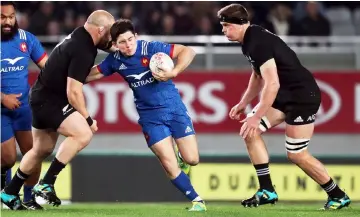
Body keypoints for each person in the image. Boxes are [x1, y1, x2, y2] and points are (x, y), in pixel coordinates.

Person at [218, 4, 351, 210]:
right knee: (249, 132)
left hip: (302, 97)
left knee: (296, 154)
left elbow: (272, 84)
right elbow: (258, 74)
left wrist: (256, 116)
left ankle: (338, 195)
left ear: (242, 24)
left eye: (227, 25)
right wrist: (244, 103)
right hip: (285, 94)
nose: (224, 30)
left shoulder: (257, 42)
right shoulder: (250, 40)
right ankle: (267, 190)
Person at [85, 19, 206, 212]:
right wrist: (67, 72)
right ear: (115, 44)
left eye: (130, 39)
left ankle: (183, 158)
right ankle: (197, 201)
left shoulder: (151, 49)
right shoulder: (115, 61)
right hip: (150, 118)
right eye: (122, 42)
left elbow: (188, 51)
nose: (128, 45)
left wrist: (173, 71)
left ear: (136, 37)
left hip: (174, 109)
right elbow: (90, 75)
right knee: (168, 163)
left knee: (192, 159)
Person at [1, 10, 115, 210]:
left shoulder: (78, 36)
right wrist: (88, 119)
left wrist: (108, 67)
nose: (111, 39)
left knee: (41, 150)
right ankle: (46, 183)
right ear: (101, 29)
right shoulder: (85, 49)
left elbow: (78, 74)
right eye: (110, 34)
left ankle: (9, 192)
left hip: (39, 96)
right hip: (50, 100)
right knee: (83, 134)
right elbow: (73, 92)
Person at [1, 1, 48, 210]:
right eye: (3, 17)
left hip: (24, 110)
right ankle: (7, 193)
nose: (8, 22)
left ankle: (28, 198)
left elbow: (47, 67)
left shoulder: (27, 39)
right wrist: (3, 98)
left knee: (34, 155)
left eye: (11, 17)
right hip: (1, 111)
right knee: (8, 158)